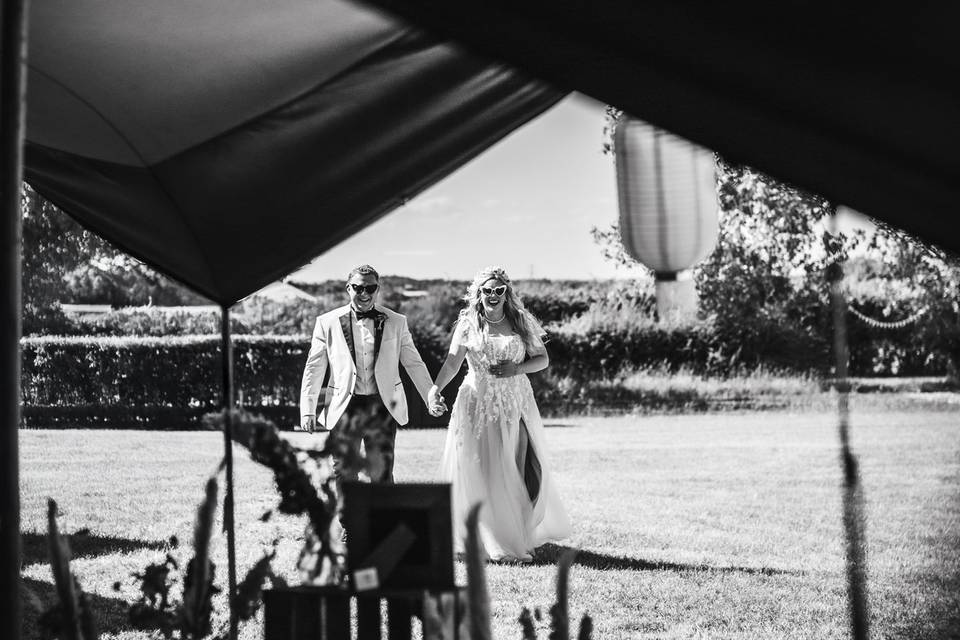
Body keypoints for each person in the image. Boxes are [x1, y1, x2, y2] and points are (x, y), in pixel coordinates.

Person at [428, 266, 571, 562]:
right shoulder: (468, 324)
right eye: (487, 291)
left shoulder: (521, 320)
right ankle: (481, 537)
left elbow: (542, 359)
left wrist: (516, 368)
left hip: (513, 403)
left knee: (511, 466)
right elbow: (453, 363)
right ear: (478, 294)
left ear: (507, 293)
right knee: (476, 467)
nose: (493, 296)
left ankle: (512, 536)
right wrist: (434, 389)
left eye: (499, 290)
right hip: (476, 402)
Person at [300, 264, 442, 482]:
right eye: (358, 288)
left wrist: (430, 396)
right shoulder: (326, 322)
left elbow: (414, 363)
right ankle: (348, 517)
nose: (364, 293)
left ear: (378, 289)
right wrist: (308, 410)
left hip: (382, 406)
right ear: (348, 288)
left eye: (370, 288)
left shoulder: (396, 321)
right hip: (345, 406)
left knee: (382, 473)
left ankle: (382, 517)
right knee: (344, 471)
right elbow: (314, 367)